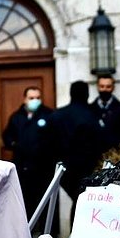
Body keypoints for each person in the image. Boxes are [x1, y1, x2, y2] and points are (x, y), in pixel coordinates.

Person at [2, 86, 58, 237]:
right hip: (23, 170)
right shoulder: (17, 117)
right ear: (25, 99)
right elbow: (7, 136)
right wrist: (14, 144)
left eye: (38, 97)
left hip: (43, 170)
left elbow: (56, 139)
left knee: (45, 206)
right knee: (24, 205)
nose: (35, 101)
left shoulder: (49, 115)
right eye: (31, 98)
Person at [47, 81, 103, 226]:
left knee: (78, 200)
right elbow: (99, 144)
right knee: (81, 201)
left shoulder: (56, 116)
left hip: (63, 170)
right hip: (87, 169)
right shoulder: (92, 116)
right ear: (87, 94)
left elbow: (48, 144)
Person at [89, 73, 120, 153]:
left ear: (113, 87)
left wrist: (118, 150)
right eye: (102, 86)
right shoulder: (90, 109)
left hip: (115, 155)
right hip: (94, 156)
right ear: (97, 87)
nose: (104, 89)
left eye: (108, 87)